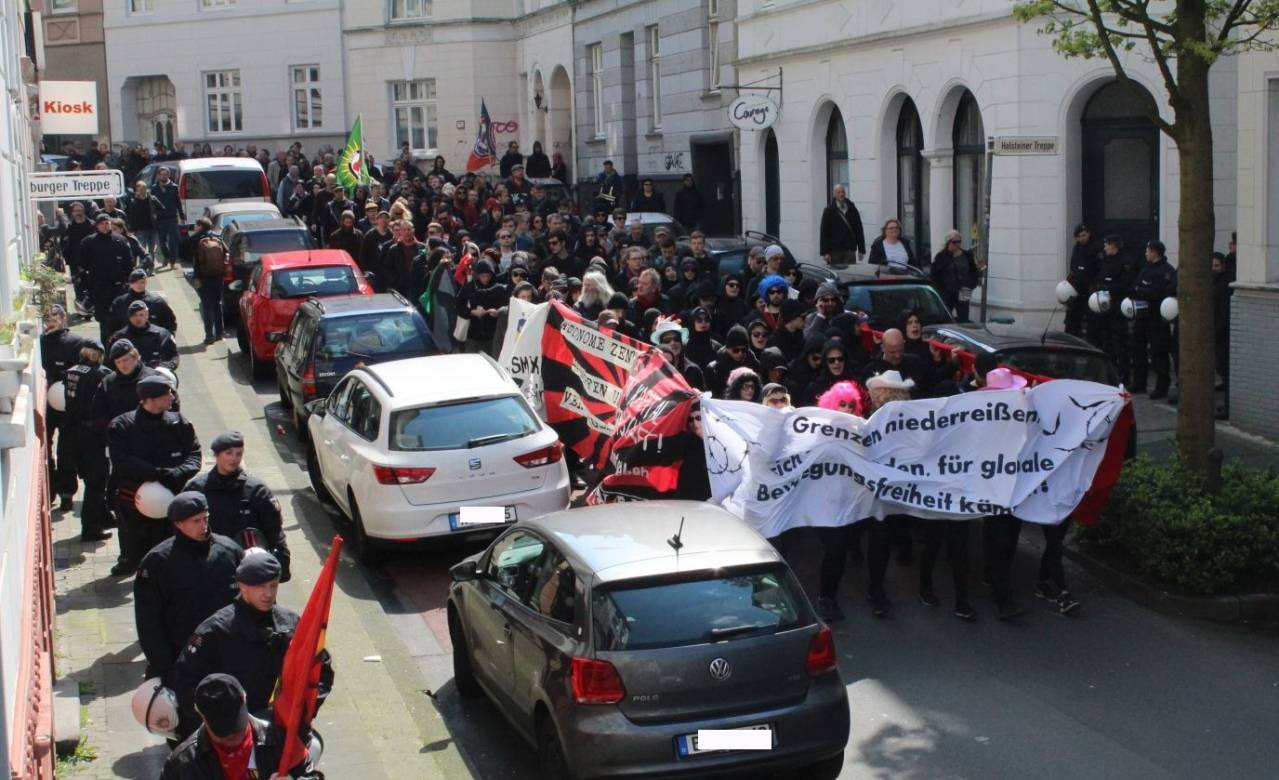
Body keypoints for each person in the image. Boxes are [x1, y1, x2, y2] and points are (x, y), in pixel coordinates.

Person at [174, 552, 334, 739]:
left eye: (273, 585)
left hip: (283, 729)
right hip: (233, 736)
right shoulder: (216, 631)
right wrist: (222, 725)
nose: (268, 593)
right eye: (260, 586)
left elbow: (320, 669)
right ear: (243, 586)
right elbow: (187, 684)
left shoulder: (291, 623)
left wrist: (304, 711)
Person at [135, 492, 244, 692]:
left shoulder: (230, 552)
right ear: (178, 524)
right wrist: (166, 669)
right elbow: (149, 624)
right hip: (183, 661)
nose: (203, 525)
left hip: (228, 658)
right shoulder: (157, 563)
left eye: (206, 518)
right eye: (196, 521)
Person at [107, 375, 202, 577]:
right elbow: (122, 461)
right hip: (133, 496)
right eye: (166, 393)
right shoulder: (122, 426)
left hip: (172, 496)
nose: (172, 397)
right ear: (149, 399)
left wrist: (177, 474)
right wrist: (155, 473)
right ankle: (130, 561)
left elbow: (194, 455)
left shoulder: (179, 423)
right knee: (133, 540)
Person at [161, 673, 320, 780]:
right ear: (201, 714)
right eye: (222, 731)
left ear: (244, 698)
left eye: (236, 726)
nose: (232, 736)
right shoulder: (182, 764)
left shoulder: (279, 739)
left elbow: (311, 775)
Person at [184, 432, 291, 582]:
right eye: (228, 453)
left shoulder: (256, 490)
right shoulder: (197, 489)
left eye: (238, 453)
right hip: (212, 567)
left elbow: (274, 531)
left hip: (250, 569)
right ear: (216, 455)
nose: (234, 458)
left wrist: (281, 567)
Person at [812, 379, 871, 622]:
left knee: (840, 553)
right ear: (832, 406)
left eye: (850, 404)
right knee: (834, 551)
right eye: (841, 404)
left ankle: (830, 594)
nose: (846, 409)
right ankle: (826, 598)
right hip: (825, 504)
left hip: (849, 504)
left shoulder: (861, 432)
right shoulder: (819, 433)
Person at [862, 370, 917, 617]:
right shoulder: (874, 419)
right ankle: (875, 588)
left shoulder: (887, 418)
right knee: (880, 538)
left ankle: (876, 588)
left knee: (881, 539)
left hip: (886, 489)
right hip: (883, 488)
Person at [979, 367, 1028, 621]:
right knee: (1000, 538)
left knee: (1008, 538)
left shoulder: (1021, 416)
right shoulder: (982, 420)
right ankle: (1002, 596)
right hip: (994, 490)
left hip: (1014, 488)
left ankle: (994, 577)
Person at [60, 339, 113, 542]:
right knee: (97, 482)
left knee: (92, 479)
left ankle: (104, 516)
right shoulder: (100, 373)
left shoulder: (71, 370)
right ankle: (91, 528)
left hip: (73, 433)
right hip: (92, 435)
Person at [41, 305, 84, 510]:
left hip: (69, 404)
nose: (52, 321)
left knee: (67, 450)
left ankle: (67, 492)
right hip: (44, 404)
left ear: (63, 317)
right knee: (45, 448)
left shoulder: (75, 343)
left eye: (55, 316)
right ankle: (50, 490)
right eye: (48, 318)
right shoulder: (39, 342)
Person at [1130, 240, 1177, 398]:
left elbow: (1156, 293)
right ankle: (1139, 383)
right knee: (1138, 350)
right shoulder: (1146, 269)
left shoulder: (1166, 271)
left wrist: (1141, 290)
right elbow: (1137, 287)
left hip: (1157, 318)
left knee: (1159, 352)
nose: (1145, 253)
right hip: (1142, 315)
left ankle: (1162, 387)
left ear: (1155, 252)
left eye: (1148, 250)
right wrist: (1141, 290)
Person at [1088, 235, 1137, 385]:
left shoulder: (1126, 262)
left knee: (1120, 343)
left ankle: (1124, 375)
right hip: (1104, 310)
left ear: (1113, 246)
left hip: (1117, 309)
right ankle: (1109, 373)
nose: (1104, 248)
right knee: (1106, 342)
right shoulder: (1106, 261)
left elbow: (1126, 285)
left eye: (1106, 245)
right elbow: (1100, 279)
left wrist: (1110, 290)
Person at [82, 212, 135, 343]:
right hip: (99, 288)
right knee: (104, 322)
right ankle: (106, 350)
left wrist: (129, 283)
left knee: (120, 319)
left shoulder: (120, 240)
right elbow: (82, 265)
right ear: (97, 225)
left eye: (107, 223)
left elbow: (129, 263)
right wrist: (87, 286)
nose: (105, 226)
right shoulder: (89, 242)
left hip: (118, 287)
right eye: (102, 224)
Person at [109, 300, 179, 370]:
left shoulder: (162, 334)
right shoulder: (118, 337)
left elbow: (172, 358)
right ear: (129, 317)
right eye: (134, 315)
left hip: (156, 375)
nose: (138, 318)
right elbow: (110, 362)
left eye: (141, 314)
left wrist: (162, 369)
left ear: (147, 315)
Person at [458, 259, 508, 354]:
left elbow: (506, 307)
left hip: (493, 335)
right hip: (473, 335)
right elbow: (459, 306)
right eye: (482, 276)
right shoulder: (470, 287)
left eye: (488, 276)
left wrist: (498, 312)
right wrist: (472, 312)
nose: (485, 279)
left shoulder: (499, 289)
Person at [930, 230, 980, 322]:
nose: (957, 244)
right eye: (954, 242)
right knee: (946, 316)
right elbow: (934, 274)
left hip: (964, 291)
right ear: (948, 242)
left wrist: (972, 284)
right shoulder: (941, 256)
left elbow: (973, 271)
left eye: (959, 241)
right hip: (948, 292)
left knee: (964, 317)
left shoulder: (967, 255)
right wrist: (941, 289)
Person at [111, 269, 178, 335]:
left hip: (152, 342)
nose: (139, 285)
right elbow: (111, 326)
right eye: (135, 282)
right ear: (130, 284)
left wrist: (166, 340)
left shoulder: (157, 302)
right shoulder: (120, 303)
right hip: (128, 342)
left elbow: (170, 324)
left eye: (142, 282)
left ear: (146, 283)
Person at [194, 229, 229, 344]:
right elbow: (227, 254)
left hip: (204, 278)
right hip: (218, 277)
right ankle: (219, 332)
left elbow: (197, 262)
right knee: (217, 304)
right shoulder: (219, 241)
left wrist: (197, 277)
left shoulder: (200, 242)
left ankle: (209, 336)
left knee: (207, 307)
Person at [1064, 224, 1100, 338]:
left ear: (1088, 234)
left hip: (1090, 289)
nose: (1082, 238)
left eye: (1084, 235)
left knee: (1092, 321)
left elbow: (1098, 269)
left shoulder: (1096, 247)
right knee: (1072, 319)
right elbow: (1073, 268)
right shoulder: (1077, 248)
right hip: (1077, 288)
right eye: (1079, 236)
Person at [818, 184, 866, 266]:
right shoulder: (829, 210)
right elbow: (824, 232)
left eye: (843, 192)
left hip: (849, 250)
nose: (841, 194)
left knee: (850, 275)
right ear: (834, 194)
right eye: (838, 192)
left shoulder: (852, 209)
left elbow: (859, 229)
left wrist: (861, 250)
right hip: (834, 251)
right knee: (836, 275)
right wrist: (825, 252)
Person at [652, 318, 705, 390]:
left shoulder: (693, 371)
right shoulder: (653, 370)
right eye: (667, 340)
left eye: (676, 339)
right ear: (661, 345)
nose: (673, 343)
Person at [672, 403, 711, 501]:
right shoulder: (685, 441)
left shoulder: (718, 441)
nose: (695, 423)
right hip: (688, 498)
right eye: (690, 420)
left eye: (698, 418)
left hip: (711, 499)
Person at [1212, 251, 1231, 418]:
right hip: (1217, 334)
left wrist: (1215, 332)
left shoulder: (1223, 286)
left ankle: (1228, 408)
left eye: (1216, 266)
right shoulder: (1214, 283)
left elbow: (1224, 315)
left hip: (1221, 336)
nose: (1213, 269)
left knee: (1225, 371)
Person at [152, 165, 183, 268]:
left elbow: (178, 202)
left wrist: (182, 215)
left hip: (172, 218)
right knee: (162, 241)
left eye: (166, 174)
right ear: (158, 175)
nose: (164, 176)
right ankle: (166, 256)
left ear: (168, 175)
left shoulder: (174, 187)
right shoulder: (154, 188)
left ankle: (172, 261)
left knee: (173, 241)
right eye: (162, 174)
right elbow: (151, 204)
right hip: (160, 219)